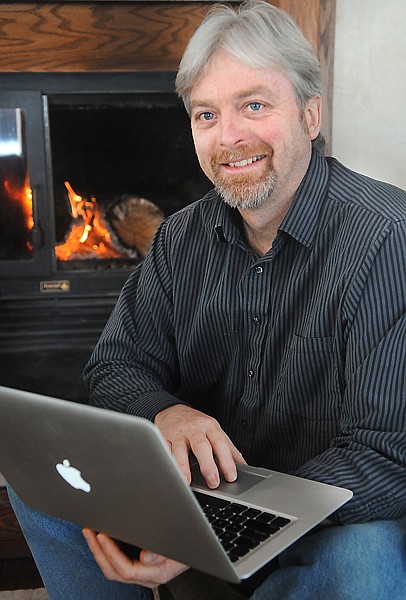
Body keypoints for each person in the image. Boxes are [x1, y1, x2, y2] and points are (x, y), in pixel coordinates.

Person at [8, 1, 406, 598]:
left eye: (254, 105)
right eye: (206, 114)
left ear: (310, 114)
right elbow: (115, 367)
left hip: (323, 512)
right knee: (41, 484)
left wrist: (229, 525)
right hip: (204, 490)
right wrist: (167, 414)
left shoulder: (387, 238)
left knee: (364, 558)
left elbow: (388, 455)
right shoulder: (179, 237)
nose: (229, 137)